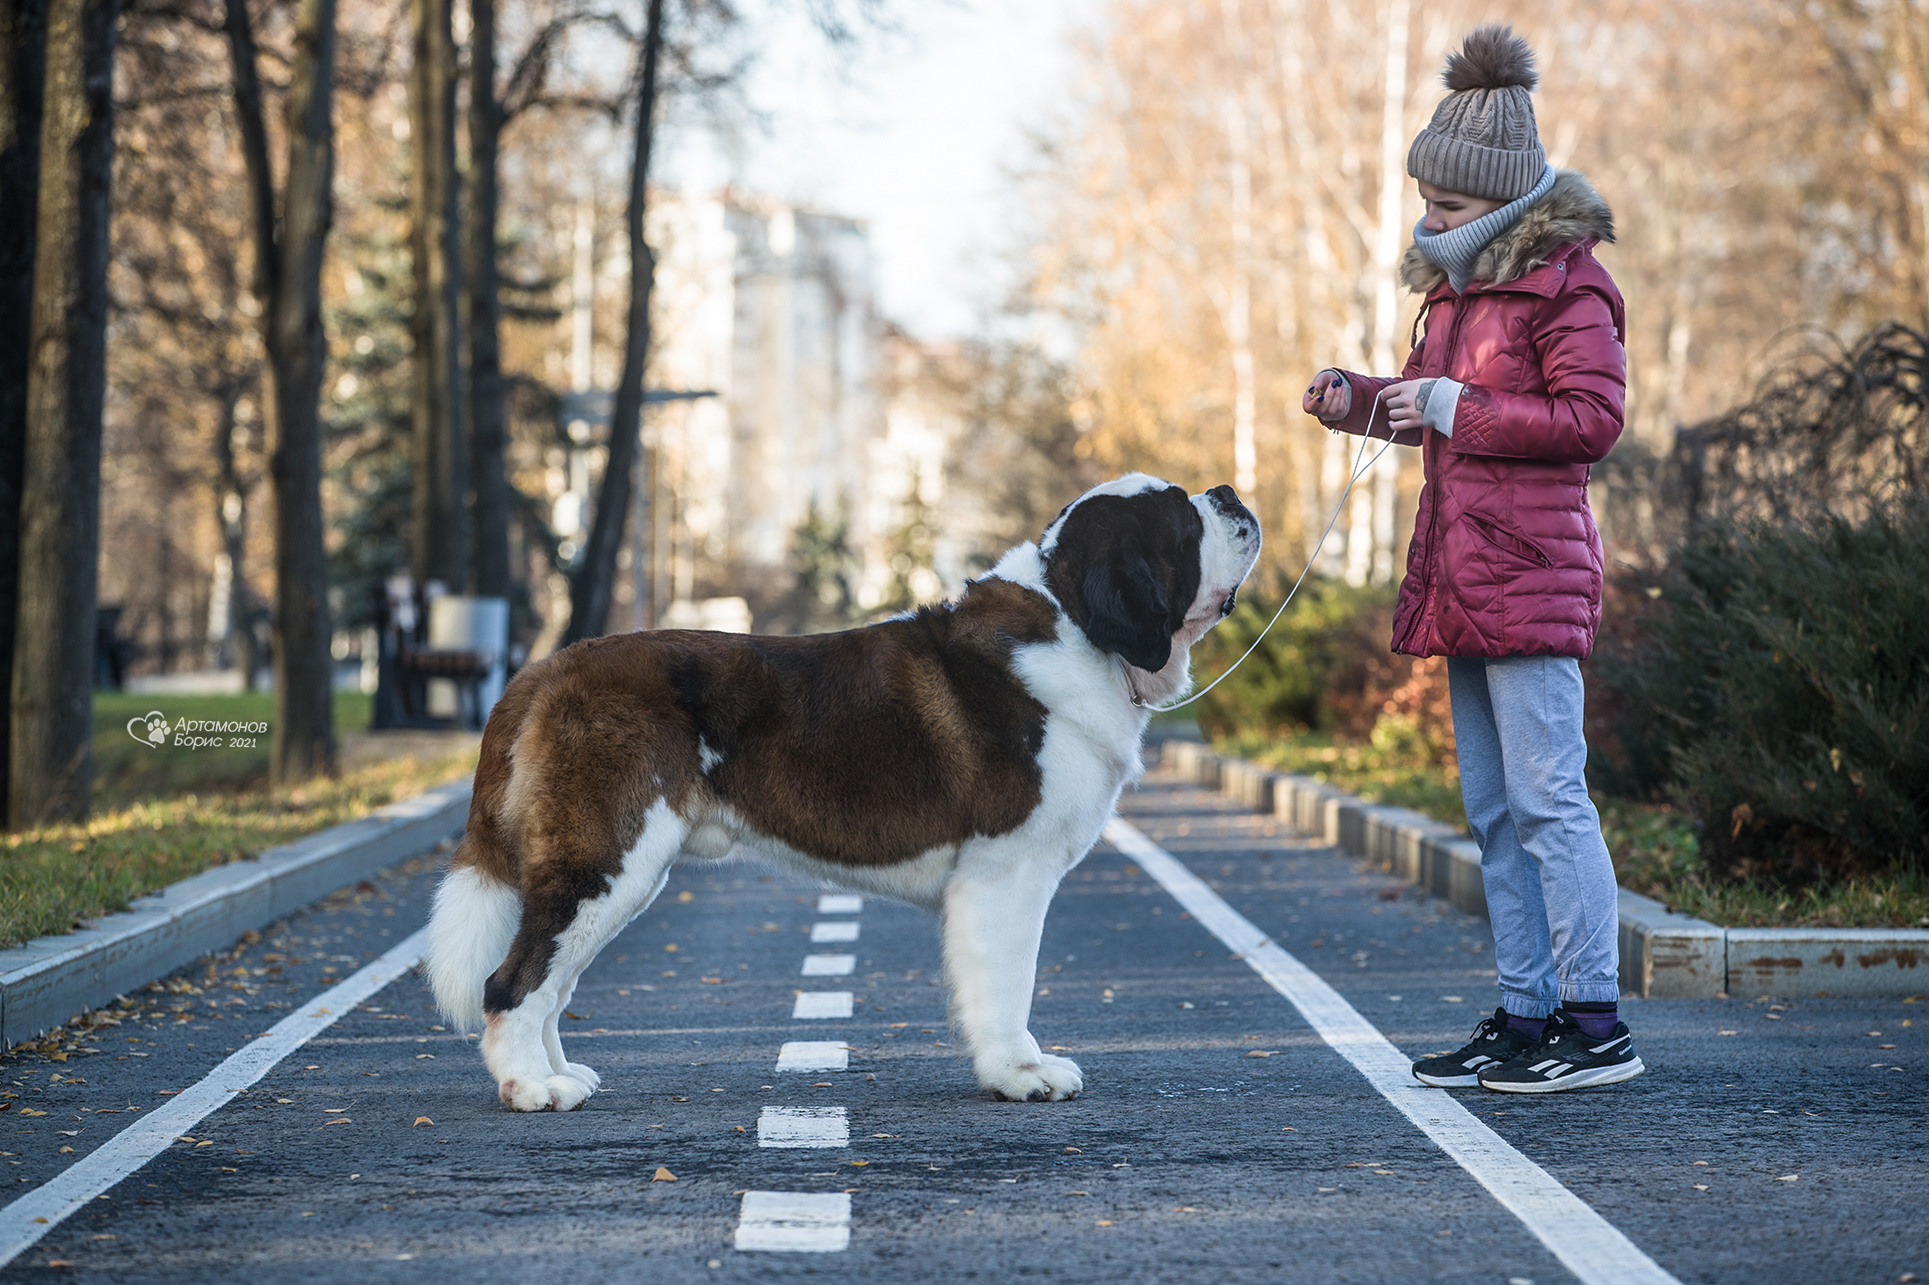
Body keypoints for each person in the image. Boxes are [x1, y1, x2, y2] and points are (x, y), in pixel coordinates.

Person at [1302, 25, 1641, 1093]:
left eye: (1444, 204)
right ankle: (1525, 1010)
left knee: (1550, 805)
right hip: (1461, 581)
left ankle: (1595, 1025)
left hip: (1532, 581)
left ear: (1498, 199)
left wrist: (1457, 401)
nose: (1427, 216)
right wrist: (1363, 402)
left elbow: (1591, 418)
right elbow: (1435, 413)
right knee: (1495, 815)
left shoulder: (1568, 286)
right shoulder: (1456, 292)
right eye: (1428, 200)